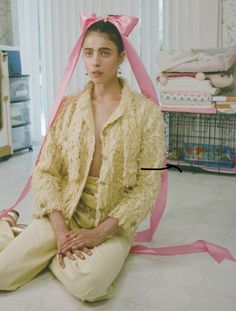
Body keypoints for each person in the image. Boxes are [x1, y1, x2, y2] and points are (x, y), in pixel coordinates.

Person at [0, 18, 165, 302]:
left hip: (112, 222)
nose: (95, 62)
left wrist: (101, 233)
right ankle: (31, 237)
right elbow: (46, 171)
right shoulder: (68, 108)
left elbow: (148, 185)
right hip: (64, 211)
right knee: (2, 273)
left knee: (91, 286)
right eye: (88, 53)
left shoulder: (146, 114)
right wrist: (61, 230)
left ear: (121, 58)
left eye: (105, 52)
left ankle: (46, 252)